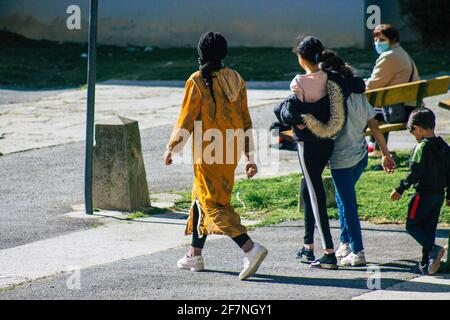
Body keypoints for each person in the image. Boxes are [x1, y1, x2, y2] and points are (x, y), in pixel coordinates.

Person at [165, 31, 268, 281]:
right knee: (200, 197)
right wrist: (249, 156)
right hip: (229, 149)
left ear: (200, 53)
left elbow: (186, 118)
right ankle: (194, 255)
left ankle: (250, 248)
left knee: (213, 204)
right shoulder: (236, 78)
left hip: (207, 152)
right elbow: (245, 119)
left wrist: (172, 148)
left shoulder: (197, 80)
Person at [274, 36, 366, 269]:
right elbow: (359, 85)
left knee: (315, 197)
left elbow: (292, 112)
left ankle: (328, 252)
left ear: (301, 58)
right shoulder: (333, 78)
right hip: (328, 141)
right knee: (309, 188)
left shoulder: (299, 82)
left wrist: (301, 119)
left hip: (308, 144)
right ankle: (308, 246)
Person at [321, 51, 397, 266]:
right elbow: (374, 125)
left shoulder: (332, 98)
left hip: (341, 160)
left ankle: (358, 251)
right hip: (360, 156)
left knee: (348, 204)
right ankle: (345, 243)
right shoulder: (357, 95)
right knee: (342, 199)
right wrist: (385, 154)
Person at [390, 108, 450, 275]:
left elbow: (415, 172)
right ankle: (427, 264)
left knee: (412, 226)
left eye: (413, 132)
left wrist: (400, 188)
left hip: (422, 194)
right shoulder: (444, 146)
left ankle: (434, 249)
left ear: (418, 128)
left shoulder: (422, 147)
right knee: (428, 229)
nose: (414, 136)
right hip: (438, 195)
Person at [366, 24, 420, 157]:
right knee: (377, 108)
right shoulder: (401, 52)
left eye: (382, 40)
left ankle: (370, 149)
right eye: (376, 40)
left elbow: (372, 86)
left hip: (398, 112)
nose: (378, 43)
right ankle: (376, 148)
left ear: (393, 39)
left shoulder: (389, 56)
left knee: (361, 111)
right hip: (409, 107)